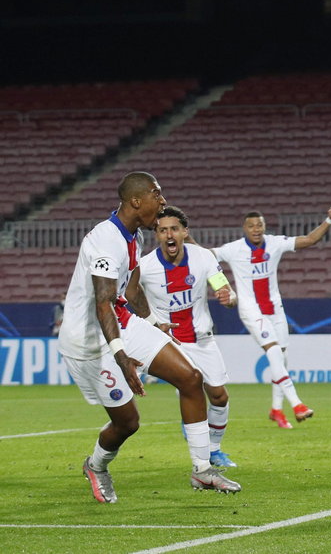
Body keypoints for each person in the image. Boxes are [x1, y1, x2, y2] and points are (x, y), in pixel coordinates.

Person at [58, 172, 241, 503]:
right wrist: (121, 355)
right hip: (90, 341)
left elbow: (131, 288)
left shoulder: (134, 236)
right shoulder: (106, 240)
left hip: (122, 321)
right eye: (156, 194)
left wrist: (153, 321)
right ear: (135, 201)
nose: (163, 201)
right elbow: (102, 303)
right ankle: (96, 466)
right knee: (128, 423)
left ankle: (202, 469)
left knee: (190, 377)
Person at [212, 206, 331, 429]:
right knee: (273, 351)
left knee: (281, 359)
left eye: (260, 225)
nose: (256, 229)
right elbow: (204, 255)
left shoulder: (274, 243)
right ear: (244, 228)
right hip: (251, 310)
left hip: (275, 310)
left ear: (264, 227)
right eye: (251, 225)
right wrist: (185, 237)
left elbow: (309, 240)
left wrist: (328, 221)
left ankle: (276, 409)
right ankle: (297, 404)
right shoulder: (233, 250)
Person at [139, 206, 239, 468]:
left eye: (174, 229)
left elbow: (224, 289)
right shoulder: (145, 267)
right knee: (191, 386)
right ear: (157, 235)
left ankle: (215, 449)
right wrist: (149, 324)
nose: (169, 234)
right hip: (167, 343)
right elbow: (128, 297)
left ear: (185, 232)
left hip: (202, 339)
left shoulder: (203, 257)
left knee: (219, 396)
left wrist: (229, 298)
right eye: (163, 230)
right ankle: (202, 454)